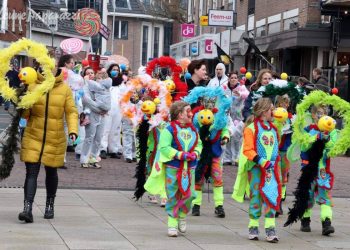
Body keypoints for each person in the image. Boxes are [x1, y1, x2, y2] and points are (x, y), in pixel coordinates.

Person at [18, 68, 78, 223]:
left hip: (55, 137)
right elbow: (25, 114)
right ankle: (27, 208)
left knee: (51, 172)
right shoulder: (32, 86)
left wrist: (73, 130)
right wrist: (22, 101)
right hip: (33, 134)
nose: (48, 69)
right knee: (31, 172)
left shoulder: (64, 89)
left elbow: (71, 111)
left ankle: (50, 204)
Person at [146, 101, 202, 237]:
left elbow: (199, 144)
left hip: (190, 168)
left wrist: (196, 153)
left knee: (190, 194)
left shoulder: (193, 129)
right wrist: (179, 154)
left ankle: (182, 214)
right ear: (179, 114)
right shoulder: (169, 129)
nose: (191, 113)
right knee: (173, 195)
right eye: (188, 111)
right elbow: (164, 147)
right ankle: (172, 222)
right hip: (174, 167)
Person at [233, 98, 281, 243]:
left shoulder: (274, 128)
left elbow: (276, 149)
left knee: (271, 196)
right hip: (256, 169)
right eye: (271, 109)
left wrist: (273, 163)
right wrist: (261, 161)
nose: (273, 111)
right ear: (264, 111)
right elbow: (247, 150)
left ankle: (270, 228)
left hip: (271, 170)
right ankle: (253, 227)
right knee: (256, 196)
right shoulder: (251, 128)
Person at [297, 105, 337, 236]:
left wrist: (327, 139)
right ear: (313, 115)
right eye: (319, 113)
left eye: (324, 113)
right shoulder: (309, 130)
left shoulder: (331, 131)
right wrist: (316, 137)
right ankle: (305, 219)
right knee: (308, 195)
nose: (321, 116)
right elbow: (304, 146)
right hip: (309, 168)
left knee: (325, 196)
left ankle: (326, 223)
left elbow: (333, 148)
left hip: (323, 171)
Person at [80, 69, 111, 168]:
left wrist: (105, 109)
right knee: (89, 137)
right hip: (92, 113)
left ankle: (93, 158)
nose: (90, 75)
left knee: (99, 137)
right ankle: (84, 159)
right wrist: (98, 109)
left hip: (102, 115)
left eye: (91, 73)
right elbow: (86, 100)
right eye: (88, 73)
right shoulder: (87, 86)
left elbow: (107, 99)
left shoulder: (104, 88)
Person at [223, 71, 249, 166]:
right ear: (229, 79)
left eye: (235, 78)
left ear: (237, 79)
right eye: (231, 78)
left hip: (238, 117)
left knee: (238, 138)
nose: (233, 79)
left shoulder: (241, 87)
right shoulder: (225, 88)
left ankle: (237, 158)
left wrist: (240, 94)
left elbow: (247, 94)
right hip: (228, 116)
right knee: (229, 136)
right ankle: (227, 158)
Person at [100, 63, 123, 159]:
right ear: (110, 71)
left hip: (118, 109)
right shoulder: (106, 82)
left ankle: (113, 149)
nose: (116, 71)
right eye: (114, 69)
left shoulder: (121, 83)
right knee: (106, 129)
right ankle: (103, 148)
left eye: (117, 70)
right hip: (108, 108)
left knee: (116, 129)